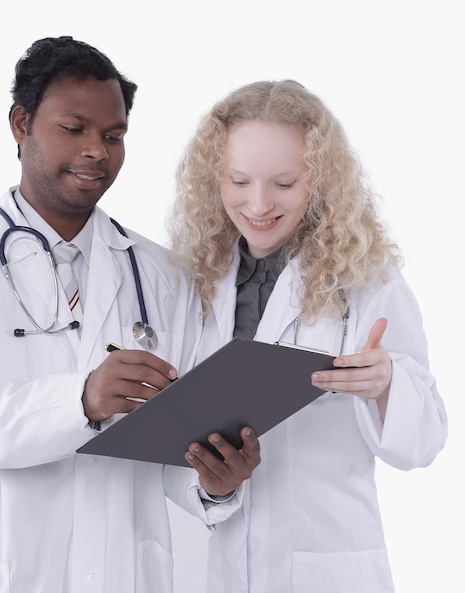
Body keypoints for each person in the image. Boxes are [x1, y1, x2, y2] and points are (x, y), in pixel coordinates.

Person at [0, 36, 260, 593]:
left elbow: (173, 445)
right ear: (21, 124)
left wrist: (215, 483)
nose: (97, 151)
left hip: (119, 572)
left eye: (114, 136)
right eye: (74, 128)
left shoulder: (163, 274)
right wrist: (79, 400)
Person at [167, 79, 447, 593]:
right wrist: (214, 489)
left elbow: (423, 443)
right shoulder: (197, 283)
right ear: (214, 178)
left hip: (331, 568)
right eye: (238, 180)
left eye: (284, 183)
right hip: (225, 568)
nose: (258, 203)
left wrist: (387, 384)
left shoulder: (366, 281)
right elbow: (177, 436)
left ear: (319, 179)